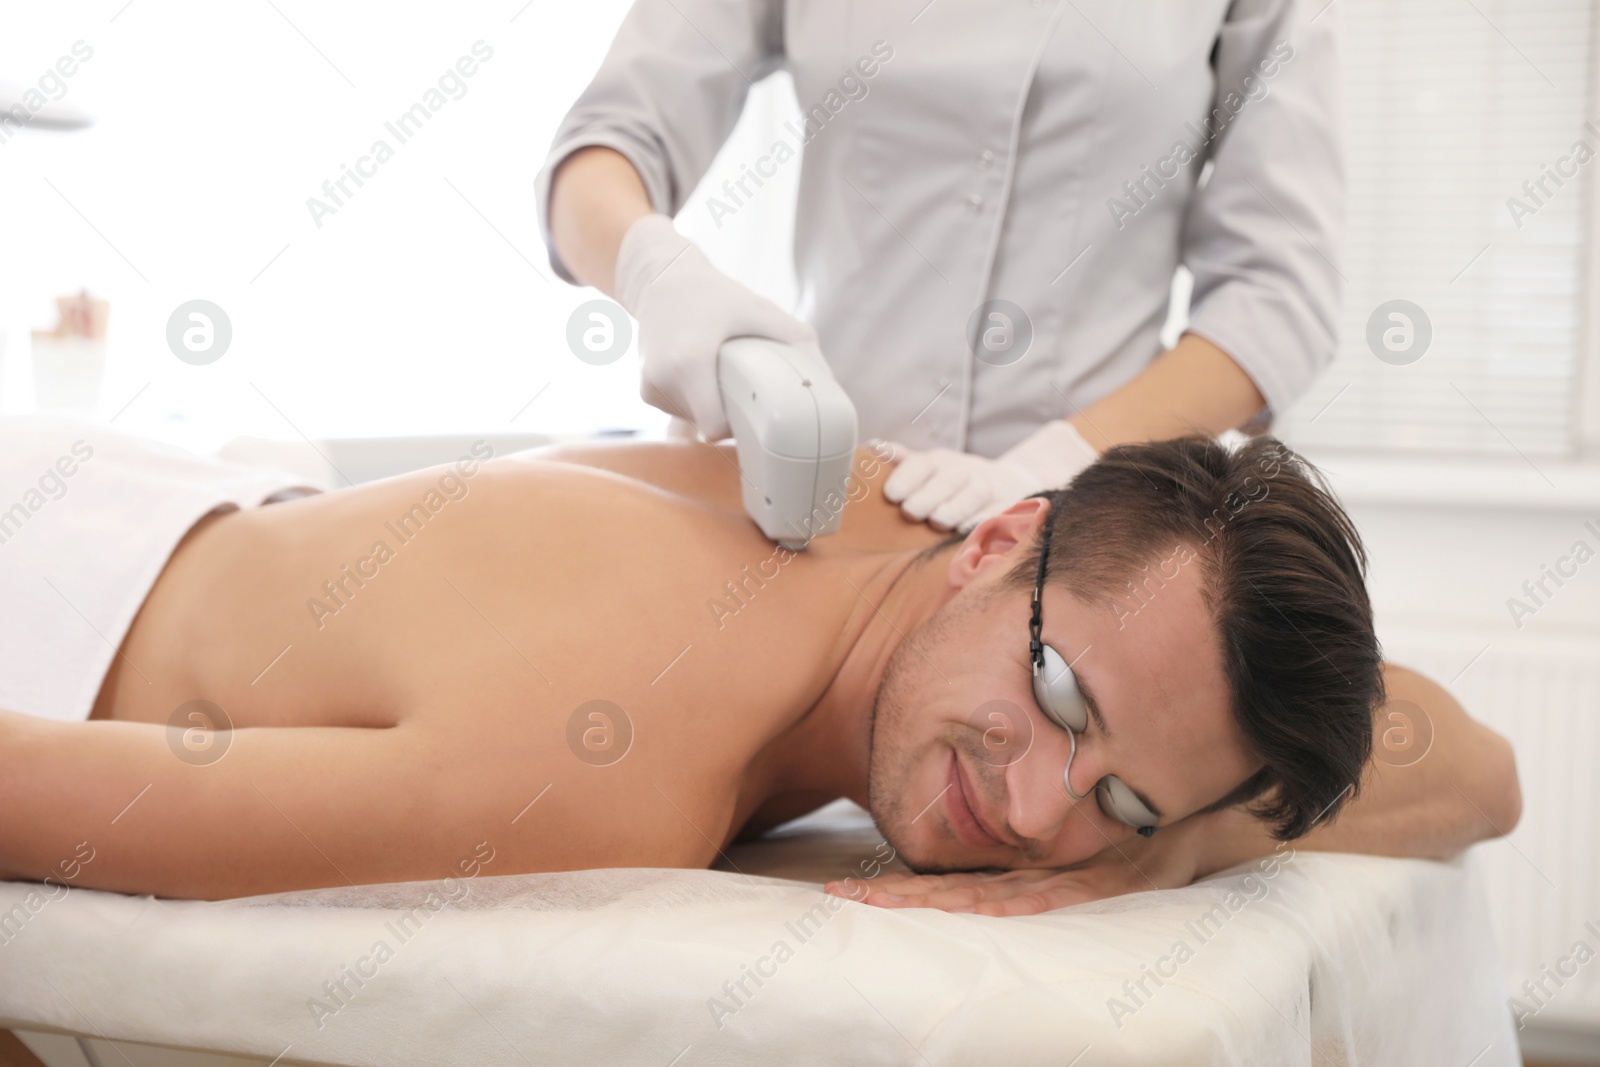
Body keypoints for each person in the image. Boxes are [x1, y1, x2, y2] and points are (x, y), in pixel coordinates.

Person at [0, 421, 1518, 908]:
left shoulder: (896, 519)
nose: (1044, 813)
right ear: (1002, 537)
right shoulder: (610, 761)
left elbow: (1476, 768)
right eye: (1061, 704)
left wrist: (1168, 841)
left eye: (1113, 794)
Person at [539, 0, 1341, 533]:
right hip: (816, 503)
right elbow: (606, 141)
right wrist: (657, 273)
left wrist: (1059, 462)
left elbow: (1279, 291)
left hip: (1090, 528)